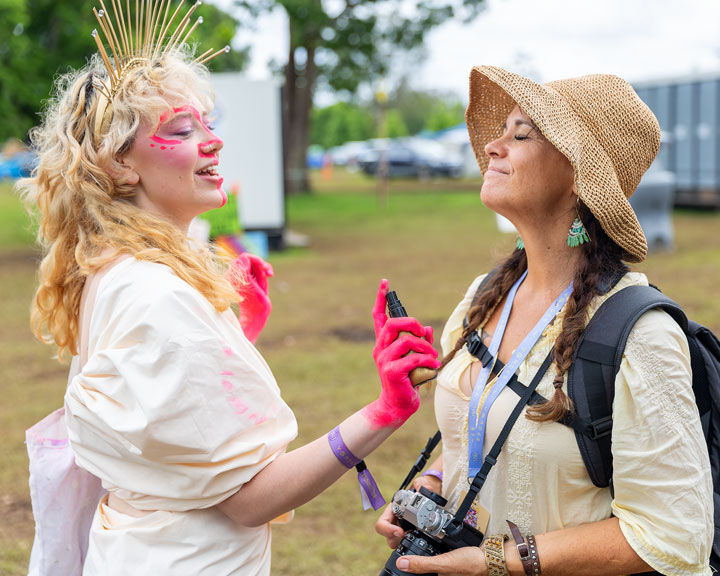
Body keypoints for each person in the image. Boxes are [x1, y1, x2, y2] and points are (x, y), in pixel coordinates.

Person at [19, 3, 441, 575]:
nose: (213, 142)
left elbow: (159, 424)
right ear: (121, 164)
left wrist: (234, 333)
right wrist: (384, 412)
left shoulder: (115, 268)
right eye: (183, 130)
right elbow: (249, 499)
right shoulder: (158, 295)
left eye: (208, 124)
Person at [375, 66, 714, 576]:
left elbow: (674, 536)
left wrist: (495, 561)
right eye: (501, 131)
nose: (493, 146)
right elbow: (479, 431)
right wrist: (433, 486)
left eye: (521, 134)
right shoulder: (484, 297)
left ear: (578, 176)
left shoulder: (640, 336)